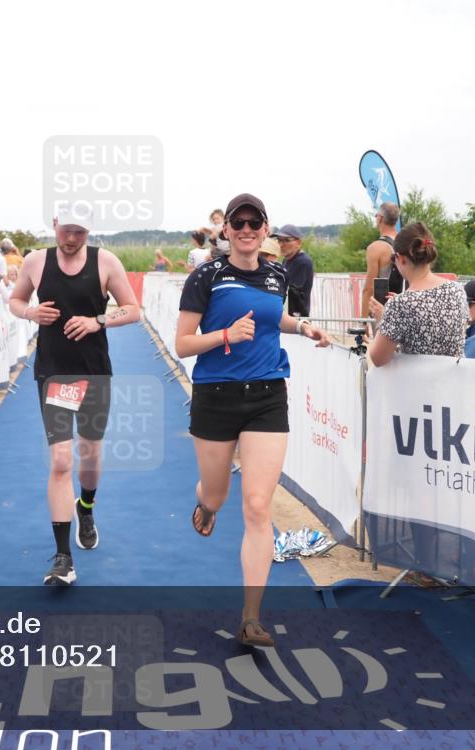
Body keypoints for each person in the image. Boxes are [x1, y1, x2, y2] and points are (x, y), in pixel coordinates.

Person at [175, 193, 331, 647]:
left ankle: (250, 618)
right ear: (226, 230)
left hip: (266, 395)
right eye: (237, 223)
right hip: (215, 397)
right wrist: (224, 335)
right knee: (219, 493)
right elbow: (184, 343)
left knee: (259, 507)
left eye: (254, 222)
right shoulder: (207, 276)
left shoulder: (276, 273)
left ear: (266, 229)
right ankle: (206, 502)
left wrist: (302, 327)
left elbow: (273, 317)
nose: (245, 229)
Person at [8, 206, 141, 586]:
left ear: (89, 231)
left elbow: (133, 310)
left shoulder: (106, 261)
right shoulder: (35, 261)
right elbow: (15, 302)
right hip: (53, 373)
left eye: (79, 233)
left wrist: (97, 320)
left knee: (91, 451)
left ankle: (86, 506)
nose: (71, 239)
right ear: (54, 226)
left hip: (95, 372)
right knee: (62, 460)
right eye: (66, 231)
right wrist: (31, 313)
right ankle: (63, 556)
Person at [367, 222, 468, 367]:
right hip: (452, 384)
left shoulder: (401, 304)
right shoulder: (457, 290)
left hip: (419, 386)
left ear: (400, 258)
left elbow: (378, 359)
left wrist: (384, 319)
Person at [361, 202, 402, 319]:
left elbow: (369, 289)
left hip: (382, 311)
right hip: (404, 309)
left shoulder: (376, 248)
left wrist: (363, 322)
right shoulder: (407, 243)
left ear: (380, 218)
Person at [273, 225, 313, 317]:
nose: (281, 245)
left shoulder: (302, 262)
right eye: (279, 240)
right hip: (288, 314)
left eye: (287, 240)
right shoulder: (286, 260)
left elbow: (292, 291)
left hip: (296, 316)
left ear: (298, 243)